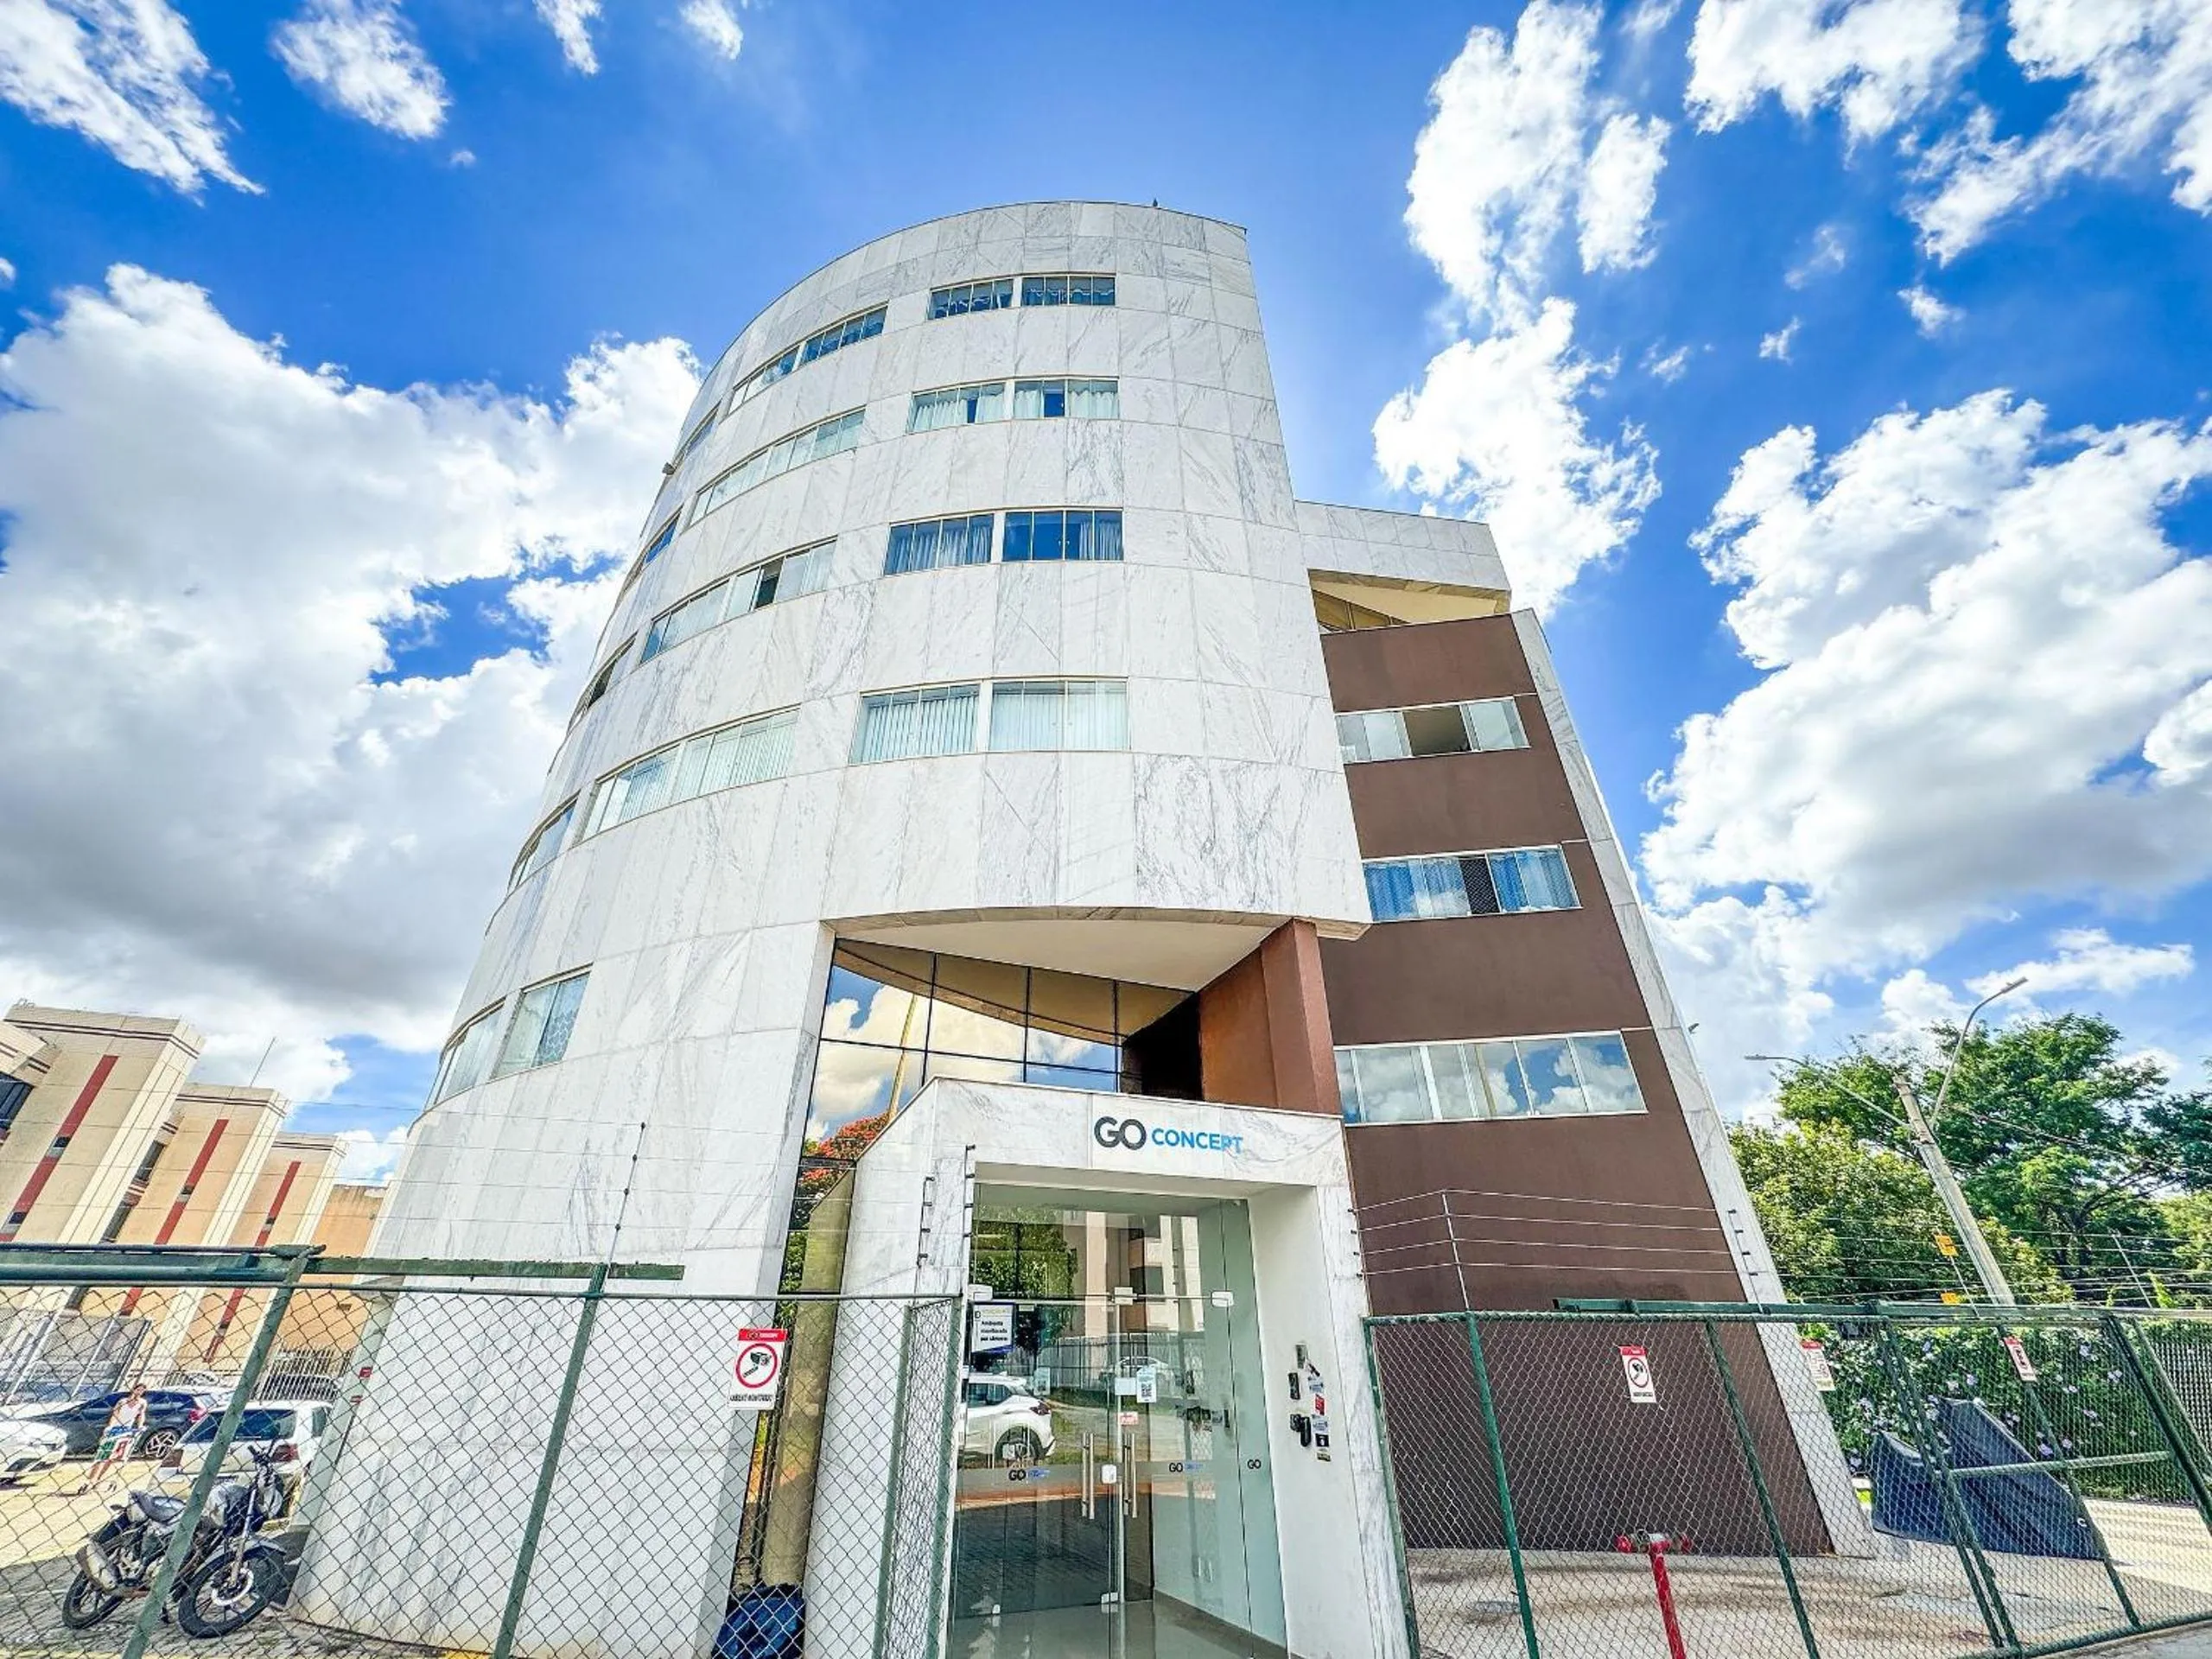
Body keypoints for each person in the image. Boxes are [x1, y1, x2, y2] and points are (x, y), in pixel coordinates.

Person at [73, 1387, 147, 1495]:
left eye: (142, 1390)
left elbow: (141, 1415)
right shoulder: (123, 1401)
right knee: (103, 1455)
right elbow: (115, 1414)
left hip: (127, 1431)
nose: (139, 1392)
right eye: (138, 1389)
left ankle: (99, 1478)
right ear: (133, 1390)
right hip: (115, 1429)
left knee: (113, 1458)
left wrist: (140, 1426)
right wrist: (110, 1427)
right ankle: (91, 1479)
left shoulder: (142, 1403)